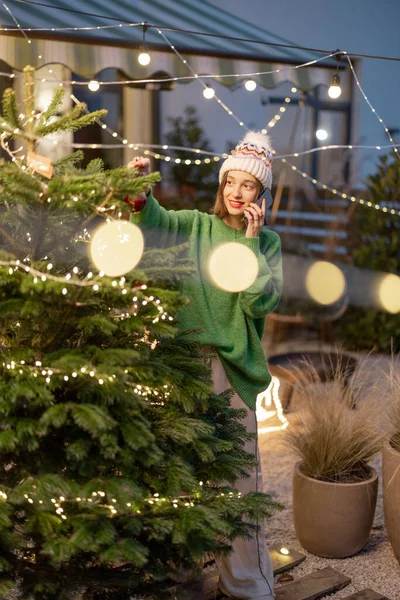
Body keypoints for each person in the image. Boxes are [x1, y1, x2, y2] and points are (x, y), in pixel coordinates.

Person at [126, 131, 282, 600]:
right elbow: (153, 221)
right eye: (230, 182)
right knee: (179, 475)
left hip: (232, 368)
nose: (236, 192)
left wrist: (251, 242)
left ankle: (247, 581)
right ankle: (178, 573)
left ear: (261, 194)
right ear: (222, 187)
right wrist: (140, 190)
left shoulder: (269, 243)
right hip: (184, 366)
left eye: (248, 186)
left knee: (238, 480)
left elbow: (258, 304)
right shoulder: (195, 225)